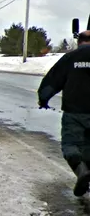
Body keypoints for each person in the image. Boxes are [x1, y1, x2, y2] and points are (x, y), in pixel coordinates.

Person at [38, 30, 90, 196]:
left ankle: (81, 170)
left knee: (71, 144)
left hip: (74, 112)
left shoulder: (70, 58)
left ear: (79, 41)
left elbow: (54, 80)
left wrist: (43, 98)